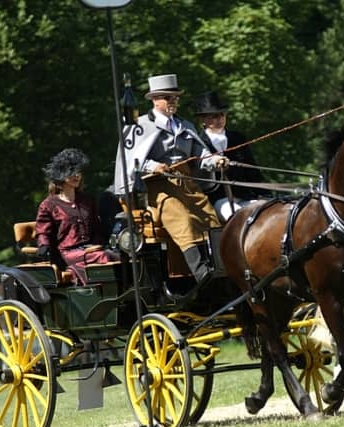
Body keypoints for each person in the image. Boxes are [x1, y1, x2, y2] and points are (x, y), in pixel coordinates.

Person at [113, 74, 221, 289]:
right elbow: (131, 160)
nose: (173, 102)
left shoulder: (185, 125)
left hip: (187, 184)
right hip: (156, 187)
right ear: (155, 100)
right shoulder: (140, 126)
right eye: (168, 98)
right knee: (181, 218)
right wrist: (153, 166)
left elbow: (200, 154)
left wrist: (214, 160)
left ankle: (220, 268)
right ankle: (201, 273)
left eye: (175, 98)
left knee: (211, 219)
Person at [36, 148, 118, 284]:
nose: (77, 175)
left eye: (78, 171)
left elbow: (96, 227)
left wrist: (102, 242)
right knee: (103, 257)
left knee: (118, 255)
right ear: (61, 175)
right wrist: (44, 246)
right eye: (72, 172)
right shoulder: (48, 205)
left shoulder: (88, 200)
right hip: (68, 253)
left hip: (92, 249)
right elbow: (43, 231)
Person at [194, 90, 267, 222]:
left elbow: (253, 170)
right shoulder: (199, 143)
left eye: (222, 115)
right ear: (203, 119)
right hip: (218, 199)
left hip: (245, 196)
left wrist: (264, 194)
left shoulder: (238, 138)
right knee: (238, 218)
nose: (220, 119)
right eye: (214, 116)